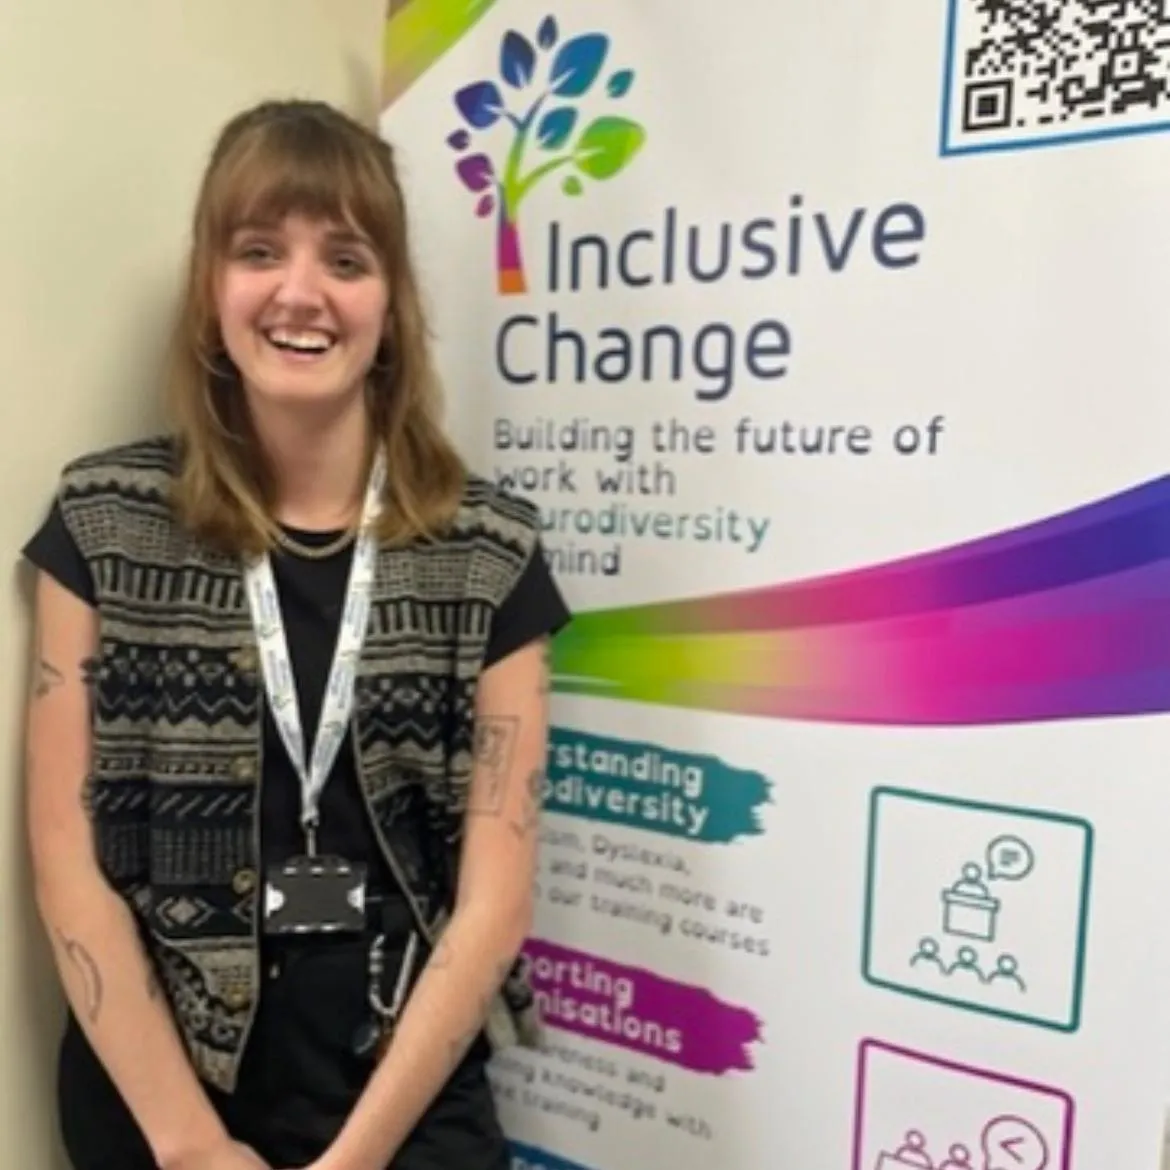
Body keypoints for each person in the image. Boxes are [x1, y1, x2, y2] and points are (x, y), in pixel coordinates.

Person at [22, 98, 570, 1170]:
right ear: (208, 293)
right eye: (259, 250)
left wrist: (354, 1159)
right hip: (158, 1093)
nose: (300, 292)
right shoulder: (103, 521)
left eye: (347, 258)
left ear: (392, 305)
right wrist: (189, 1146)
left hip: (401, 1098)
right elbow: (64, 860)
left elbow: (494, 899)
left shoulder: (489, 552)